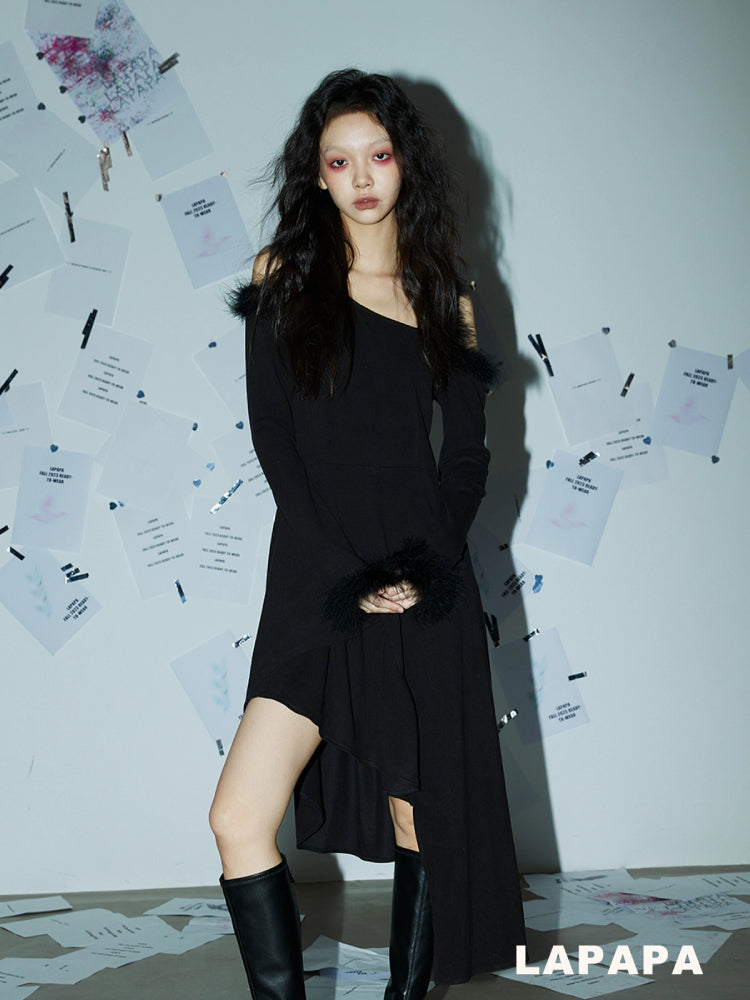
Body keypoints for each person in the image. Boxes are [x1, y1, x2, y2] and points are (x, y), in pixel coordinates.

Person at [209, 68, 525, 999]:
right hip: (315, 581)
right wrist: (345, 571)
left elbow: (465, 460)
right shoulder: (282, 279)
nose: (360, 178)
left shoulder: (443, 297)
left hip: (422, 584)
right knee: (238, 818)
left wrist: (426, 570)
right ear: (316, 174)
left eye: (377, 156)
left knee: (418, 816)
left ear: (404, 164)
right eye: (338, 161)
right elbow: (276, 441)